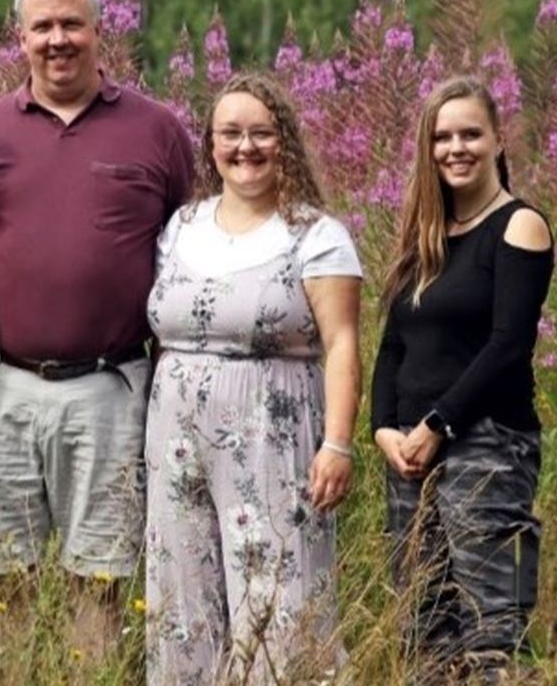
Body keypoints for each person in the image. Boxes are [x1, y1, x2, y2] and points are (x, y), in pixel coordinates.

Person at [0, 0, 196, 656]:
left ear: (98, 30)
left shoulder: (157, 130)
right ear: (19, 37)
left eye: (71, 24)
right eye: (43, 27)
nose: (58, 39)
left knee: (101, 575)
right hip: (3, 384)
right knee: (4, 576)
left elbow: (190, 244)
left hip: (111, 386)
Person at [145, 71, 362, 684]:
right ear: (211, 144)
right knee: (182, 596)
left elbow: (342, 344)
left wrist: (338, 443)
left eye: (261, 133)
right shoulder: (182, 226)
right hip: (176, 440)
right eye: (230, 134)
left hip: (273, 433)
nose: (246, 147)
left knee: (277, 596)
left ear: (283, 140)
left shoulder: (316, 235)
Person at [371, 77, 553, 683]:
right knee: (423, 630)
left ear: (499, 139)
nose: (456, 148)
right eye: (442, 137)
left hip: (487, 446)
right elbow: (393, 345)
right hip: (410, 454)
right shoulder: (424, 236)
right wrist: (383, 430)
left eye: (470, 134)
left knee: (489, 632)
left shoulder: (518, 225)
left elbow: (508, 346)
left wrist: (438, 425)